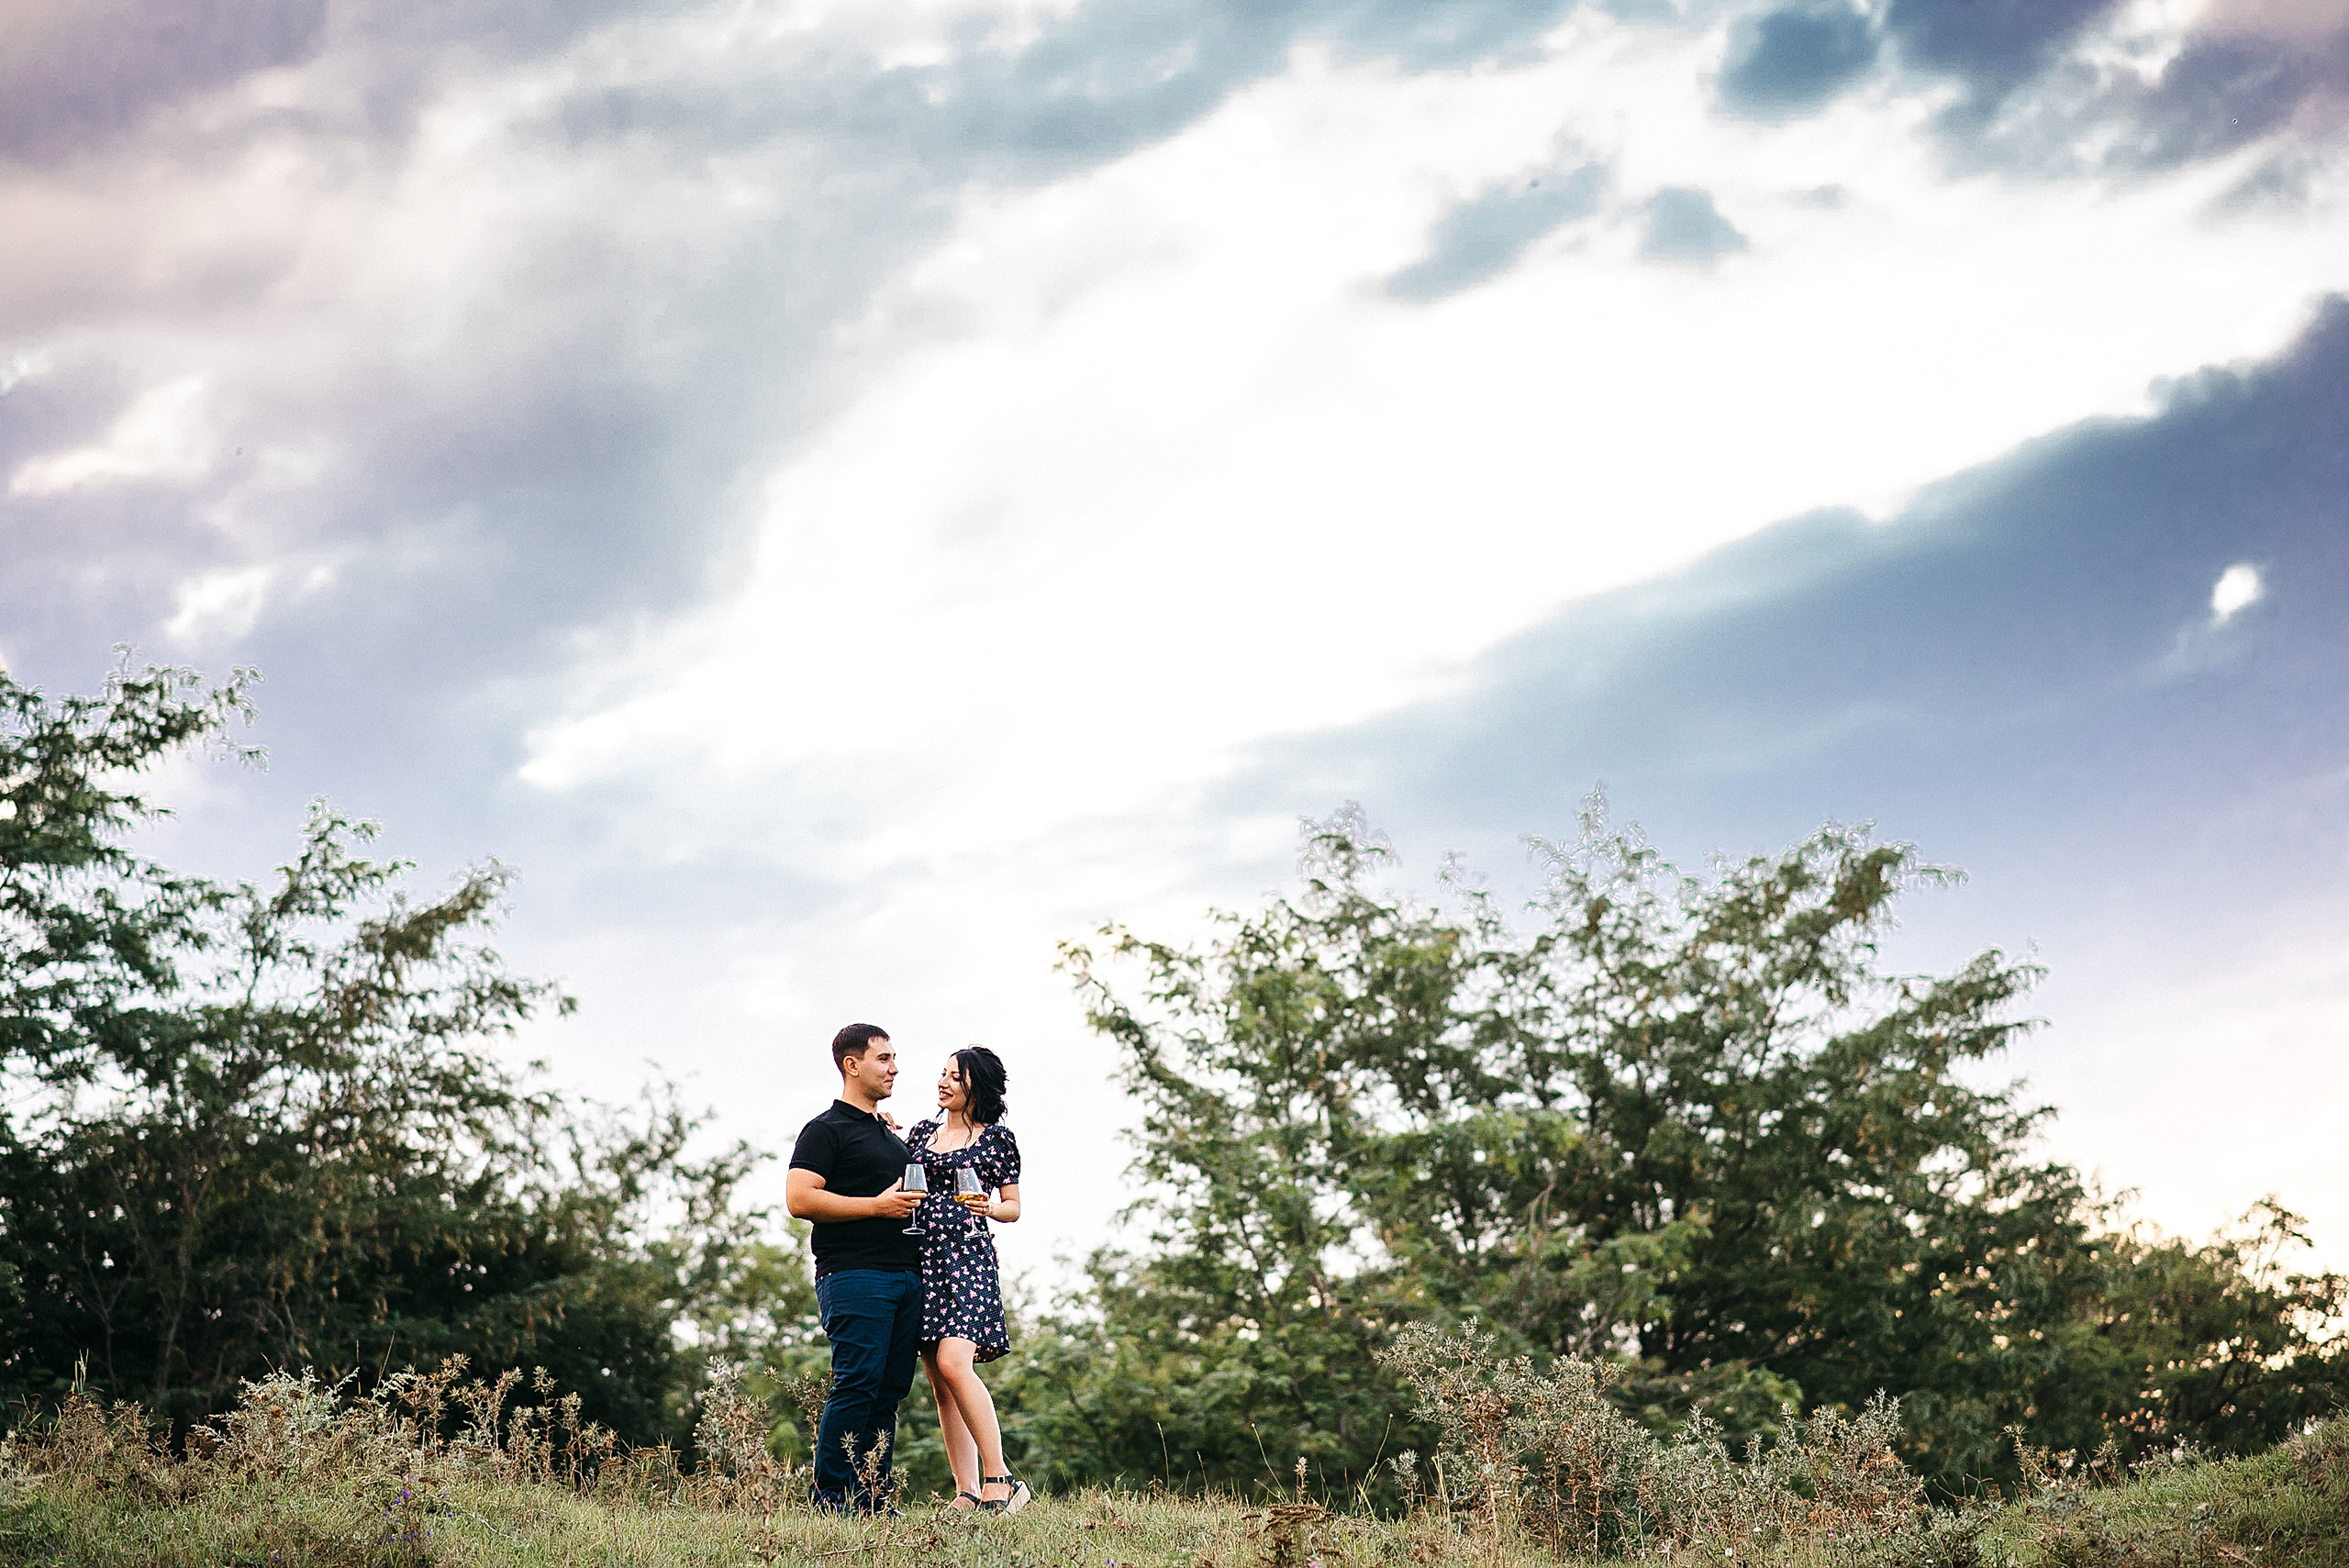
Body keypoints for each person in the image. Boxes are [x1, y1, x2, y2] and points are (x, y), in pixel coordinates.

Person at [785, 1023, 926, 1514]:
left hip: (907, 1276)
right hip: (855, 1275)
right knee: (858, 1383)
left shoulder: (888, 1132)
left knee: (888, 1392)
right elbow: (799, 1199)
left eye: (894, 1058)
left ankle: (873, 1502)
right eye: (884, 1058)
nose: (894, 1067)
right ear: (852, 1064)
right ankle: (829, 1501)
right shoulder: (825, 1129)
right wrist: (875, 1207)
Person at [904, 1045, 1030, 1515]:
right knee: (941, 1381)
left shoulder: (998, 1140)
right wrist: (885, 1127)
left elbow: (1014, 1207)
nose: (943, 1082)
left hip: (967, 1260)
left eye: (955, 1077)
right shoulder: (919, 1134)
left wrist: (990, 1208)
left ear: (977, 1084)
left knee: (957, 1364)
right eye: (942, 1074)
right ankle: (967, 1490)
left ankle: (1002, 1479)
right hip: (920, 1258)